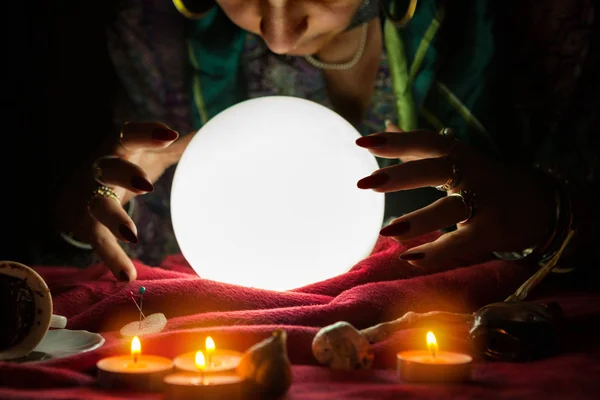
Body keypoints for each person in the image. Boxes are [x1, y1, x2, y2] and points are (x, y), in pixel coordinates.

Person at [37, 0, 598, 283]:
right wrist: (83, 214)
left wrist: (546, 211)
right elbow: (131, 251)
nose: (279, 35)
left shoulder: (529, 23)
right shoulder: (160, 34)